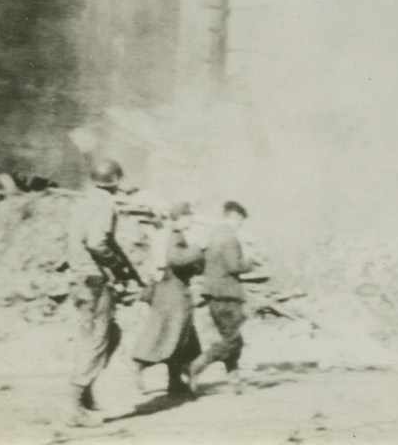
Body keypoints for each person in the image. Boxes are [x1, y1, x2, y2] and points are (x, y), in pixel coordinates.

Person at [65, 157, 137, 427]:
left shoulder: (84, 200)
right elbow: (97, 242)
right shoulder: (104, 203)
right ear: (115, 179)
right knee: (97, 339)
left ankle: (85, 396)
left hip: (80, 278)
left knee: (108, 335)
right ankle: (75, 406)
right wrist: (117, 266)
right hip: (94, 280)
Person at [132, 202, 205, 397]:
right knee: (169, 332)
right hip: (171, 290)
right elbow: (176, 259)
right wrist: (199, 250)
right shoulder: (174, 235)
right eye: (188, 216)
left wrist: (196, 264)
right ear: (180, 217)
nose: (191, 219)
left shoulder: (173, 234)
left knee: (180, 335)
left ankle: (174, 380)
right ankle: (138, 366)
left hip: (173, 287)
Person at [188, 201, 259, 393]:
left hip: (214, 294)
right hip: (226, 294)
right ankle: (196, 367)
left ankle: (234, 380)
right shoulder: (229, 237)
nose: (240, 225)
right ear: (234, 216)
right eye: (240, 221)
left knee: (231, 337)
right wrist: (251, 262)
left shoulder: (214, 235)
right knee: (233, 340)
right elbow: (234, 266)